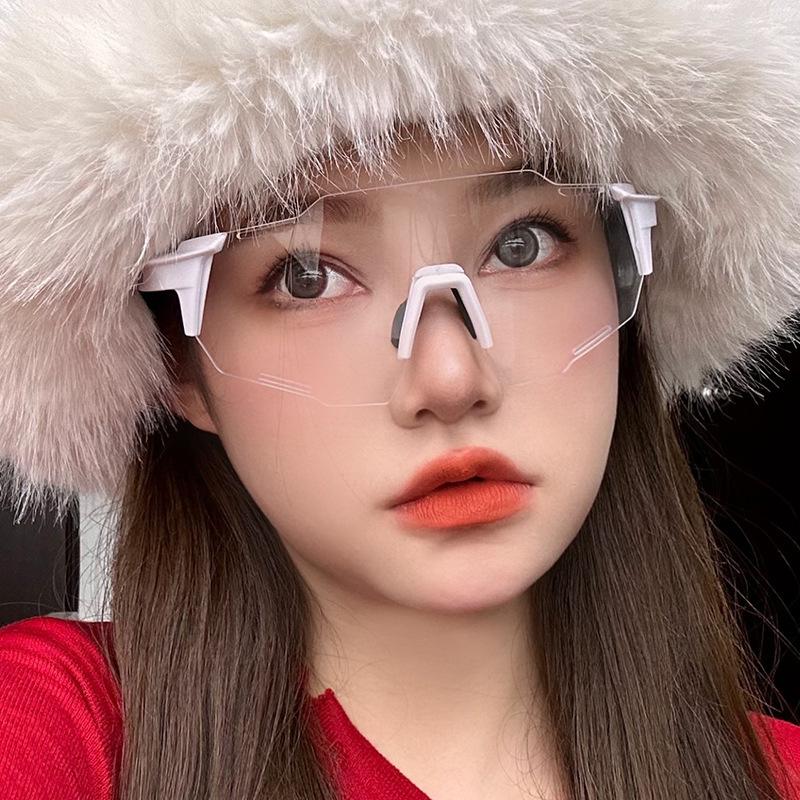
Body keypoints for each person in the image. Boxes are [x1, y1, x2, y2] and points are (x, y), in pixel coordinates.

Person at [1, 2, 799, 799]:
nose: (450, 379)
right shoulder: (60, 732)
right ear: (178, 360)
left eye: (522, 244)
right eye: (307, 277)